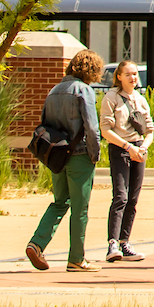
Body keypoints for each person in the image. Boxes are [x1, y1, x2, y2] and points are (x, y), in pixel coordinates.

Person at [26, 48, 106, 272]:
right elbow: (91, 126)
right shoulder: (84, 90)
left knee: (60, 202)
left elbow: (44, 122)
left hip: (57, 156)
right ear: (92, 70)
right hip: (80, 155)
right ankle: (77, 259)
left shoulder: (54, 90)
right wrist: (95, 154)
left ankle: (37, 243)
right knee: (80, 208)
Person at [99, 59, 153, 264]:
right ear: (119, 76)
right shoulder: (111, 98)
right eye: (128, 74)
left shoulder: (140, 99)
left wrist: (142, 148)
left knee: (133, 198)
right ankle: (112, 243)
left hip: (139, 149)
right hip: (120, 149)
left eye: (135, 74)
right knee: (120, 196)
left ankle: (125, 241)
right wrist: (128, 148)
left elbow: (150, 131)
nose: (133, 78)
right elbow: (106, 131)